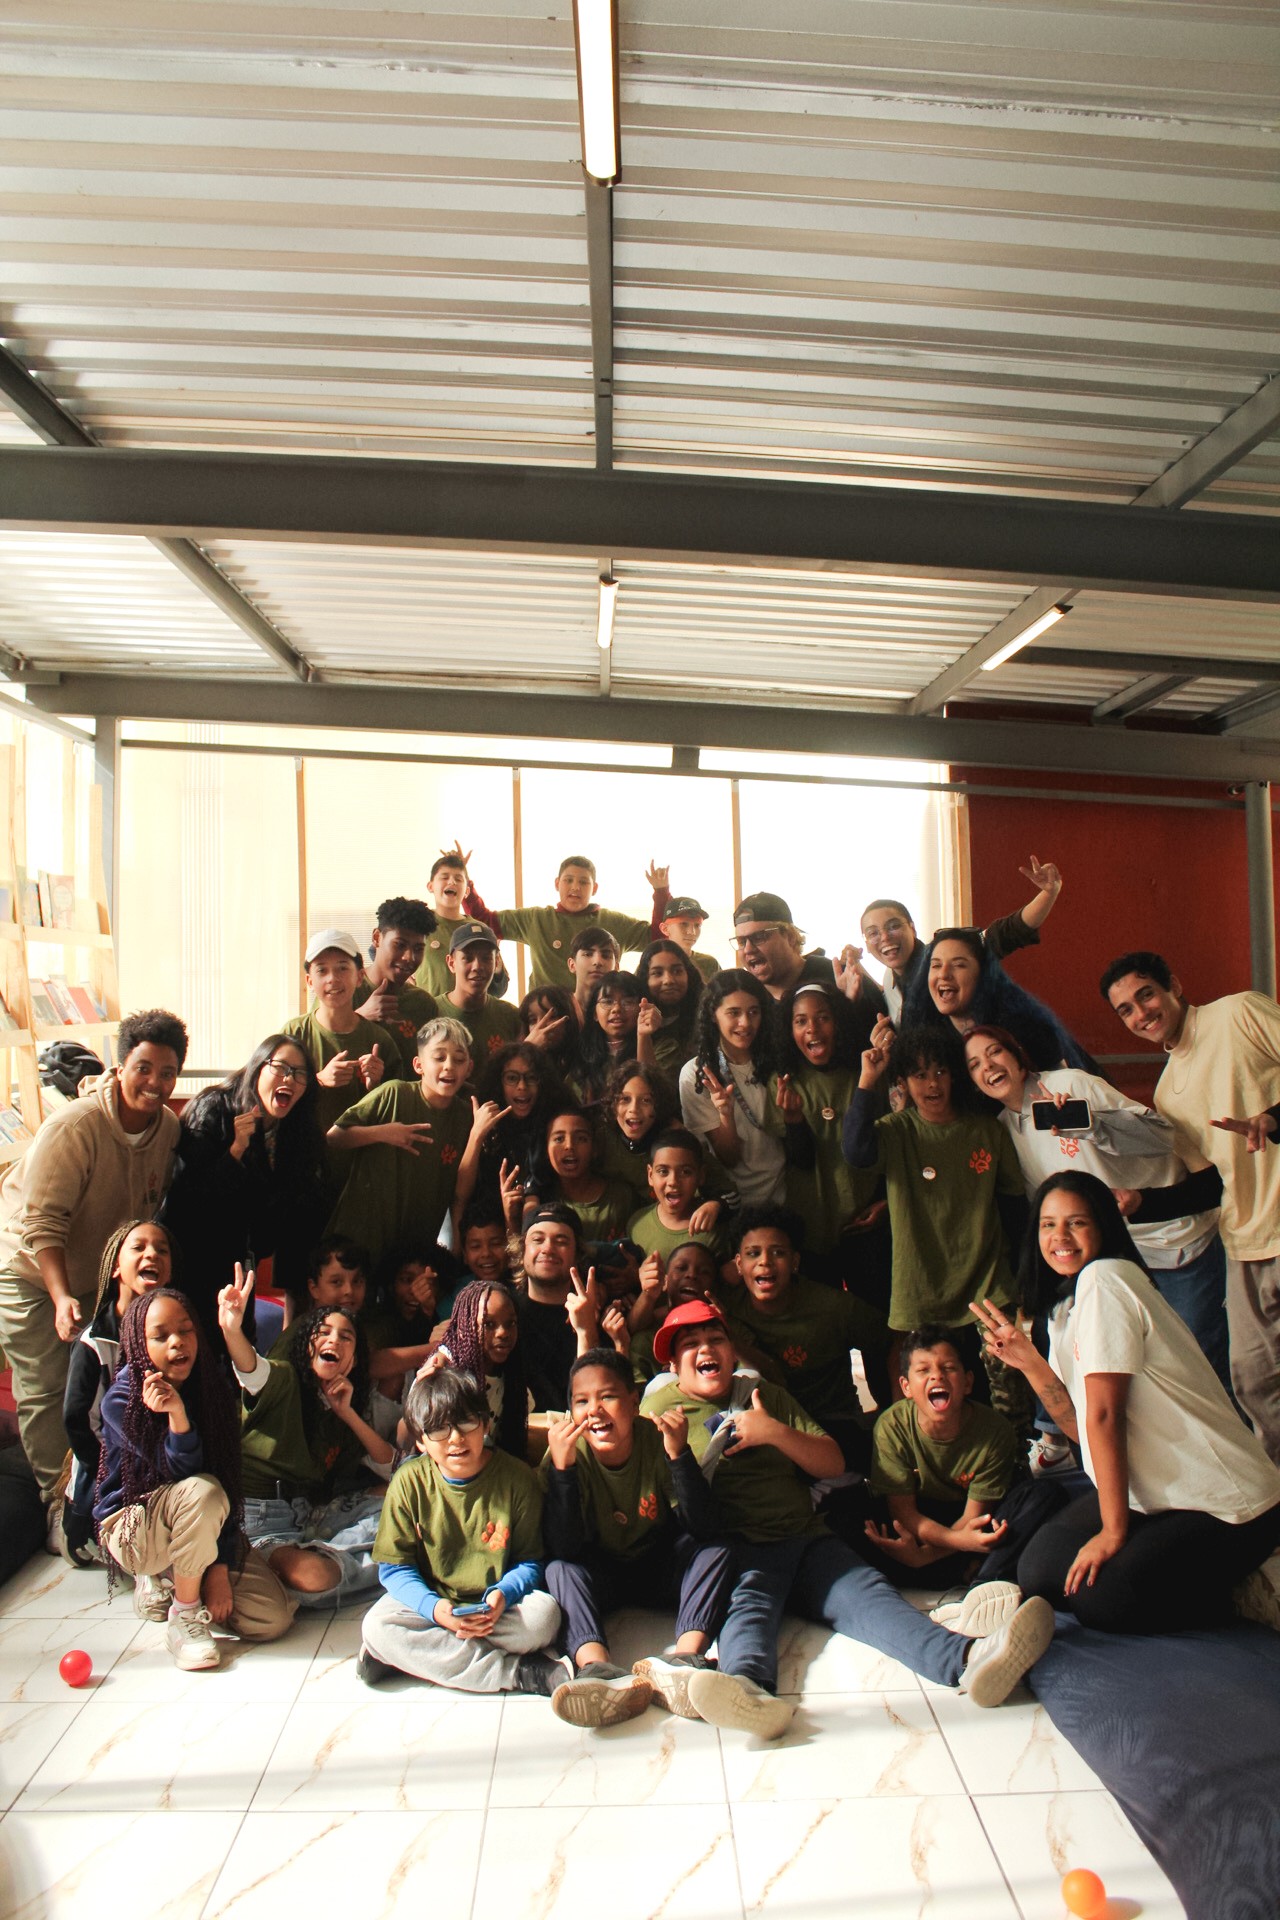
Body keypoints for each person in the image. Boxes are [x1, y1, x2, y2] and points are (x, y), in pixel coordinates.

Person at [641, 1301, 1055, 1737]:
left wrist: (774, 1432)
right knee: (749, 1610)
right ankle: (749, 1690)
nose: (706, 1349)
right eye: (691, 1344)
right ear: (672, 1362)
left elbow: (832, 1462)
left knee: (873, 1599)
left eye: (716, 1339)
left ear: (731, 1350)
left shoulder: (764, 1396)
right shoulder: (659, 1413)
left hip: (807, 1539)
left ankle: (970, 1661)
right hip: (741, 1550)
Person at [975, 1173, 1280, 1635]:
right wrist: (1032, 1364)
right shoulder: (1063, 1310)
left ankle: (1241, 1591)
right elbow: (1082, 1429)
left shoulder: (1107, 1279)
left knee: (1106, 1600)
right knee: (1039, 1573)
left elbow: (1104, 1415)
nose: (1059, 1237)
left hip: (1226, 1504)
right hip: (1153, 1498)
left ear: (1103, 1227)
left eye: (1076, 1222)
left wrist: (1112, 1532)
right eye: (1048, 1224)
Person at [963, 1023, 1232, 1397]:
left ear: (1016, 1056)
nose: (987, 1066)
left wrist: (1091, 1123)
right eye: (974, 1064)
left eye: (994, 1052)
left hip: (1173, 1244)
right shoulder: (1003, 1130)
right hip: (1109, 1264)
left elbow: (1161, 1136)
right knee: (1144, 1378)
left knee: (1204, 1371)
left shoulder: (1071, 1085)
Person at [0, 1007, 187, 1515]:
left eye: (168, 1073)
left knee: (98, 1384)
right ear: (121, 1065)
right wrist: (61, 1299)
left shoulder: (167, 1128)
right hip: (32, 1270)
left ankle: (101, 1485)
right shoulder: (74, 1127)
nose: (154, 1082)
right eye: (144, 1068)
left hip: (94, 1273)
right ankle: (55, 1504)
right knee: (47, 1386)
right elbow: (43, 1224)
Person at [1102, 951, 1280, 1463]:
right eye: (1126, 1010)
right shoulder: (1166, 1095)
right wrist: (1140, 1203)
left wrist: (1271, 1118)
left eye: (1146, 995)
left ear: (1173, 985)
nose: (1141, 1013)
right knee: (1253, 1379)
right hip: (1244, 1240)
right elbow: (1207, 1188)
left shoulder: (1238, 1014)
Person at [94, 1285, 296, 1669]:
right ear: (139, 1343)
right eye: (160, 1335)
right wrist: (178, 1417)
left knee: (272, 1618)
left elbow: (227, 1482)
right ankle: (184, 1613)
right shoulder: (122, 1401)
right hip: (135, 1528)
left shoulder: (213, 1389)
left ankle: (182, 1576)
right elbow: (183, 1479)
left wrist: (219, 1565)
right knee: (202, 1493)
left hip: (204, 1523)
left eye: (186, 1330)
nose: (177, 1343)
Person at [843, 1019, 1030, 1431]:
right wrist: (867, 1080)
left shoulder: (985, 1130)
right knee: (923, 1396)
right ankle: (920, 1469)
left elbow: (1015, 1209)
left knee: (1007, 1394)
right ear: (904, 1083)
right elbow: (856, 1152)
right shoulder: (898, 1131)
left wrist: (1022, 1282)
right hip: (921, 1288)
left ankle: (1013, 1468)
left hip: (987, 1285)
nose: (932, 1084)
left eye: (941, 1071)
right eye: (919, 1074)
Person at [542, 1347, 734, 1727]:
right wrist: (562, 1471)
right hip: (603, 1572)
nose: (594, 1410)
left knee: (718, 1549)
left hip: (657, 1563)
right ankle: (596, 1670)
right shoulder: (565, 1454)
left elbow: (703, 1526)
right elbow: (563, 1547)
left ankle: (685, 1659)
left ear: (634, 1403)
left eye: (607, 1396)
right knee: (560, 1569)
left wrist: (678, 1455)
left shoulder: (655, 1439)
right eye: (582, 1401)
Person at [356, 1366, 565, 1695]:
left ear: (484, 1423)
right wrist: (436, 1610)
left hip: (494, 1606)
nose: (455, 1438)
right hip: (433, 1601)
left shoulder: (517, 1478)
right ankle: (519, 1673)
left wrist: (503, 1595)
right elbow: (395, 1569)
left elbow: (530, 1561)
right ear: (422, 1441)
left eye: (466, 1422)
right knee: (378, 1625)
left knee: (544, 1619)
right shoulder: (408, 1482)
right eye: (438, 1430)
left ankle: (408, 1656)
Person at [863, 1325, 1068, 1630]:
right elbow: (903, 1513)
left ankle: (980, 1589)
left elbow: (976, 1519)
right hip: (927, 1525)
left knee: (1044, 1496)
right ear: (906, 1386)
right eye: (924, 1370)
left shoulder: (993, 1430)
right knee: (858, 1522)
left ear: (968, 1382)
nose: (937, 1377)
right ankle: (974, 1573)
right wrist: (934, 1550)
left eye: (948, 1368)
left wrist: (926, 1557)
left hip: (972, 1523)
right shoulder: (892, 1426)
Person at [220, 1267, 397, 1609]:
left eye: (346, 1337)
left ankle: (360, 1559)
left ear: (354, 1358)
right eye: (324, 1332)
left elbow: (393, 1470)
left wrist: (347, 1413)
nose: (334, 1340)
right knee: (315, 1576)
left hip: (310, 1514)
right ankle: (394, 1563)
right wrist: (231, 1330)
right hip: (259, 1521)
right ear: (307, 1345)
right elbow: (251, 1370)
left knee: (404, 1496)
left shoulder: (344, 1405)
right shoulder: (283, 1381)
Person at [160, 1032, 327, 1346]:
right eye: (281, 1068)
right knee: (194, 1345)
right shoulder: (214, 1107)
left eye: (300, 1074)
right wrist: (235, 1151)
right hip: (191, 1257)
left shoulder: (292, 1130)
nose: (290, 1080)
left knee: (237, 1349)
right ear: (258, 1067)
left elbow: (283, 1208)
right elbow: (187, 1201)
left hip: (240, 1257)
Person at [719, 1206, 888, 1468]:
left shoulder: (834, 1307)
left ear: (795, 1262)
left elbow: (895, 1342)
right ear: (739, 1264)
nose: (765, 1261)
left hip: (834, 1425)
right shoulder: (727, 1309)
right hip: (763, 1429)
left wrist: (898, 1410)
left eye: (778, 1253)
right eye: (753, 1253)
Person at [62, 1218, 176, 1566]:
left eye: (161, 1249)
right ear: (115, 1267)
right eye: (139, 1247)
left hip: (160, 1452)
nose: (151, 1254)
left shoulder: (176, 1329)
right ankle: (76, 1519)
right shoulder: (94, 1342)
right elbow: (79, 1419)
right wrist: (114, 1468)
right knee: (92, 1521)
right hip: (106, 1458)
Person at [326, 1016, 481, 1268]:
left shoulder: (465, 1116)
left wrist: (456, 1238)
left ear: (470, 1067)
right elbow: (334, 1137)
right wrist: (383, 1133)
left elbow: (459, 1192)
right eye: (439, 1057)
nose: (449, 1066)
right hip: (359, 1236)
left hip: (414, 1248)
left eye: (459, 1059)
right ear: (418, 1065)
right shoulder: (394, 1093)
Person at [861, 856, 1064, 1025]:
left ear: (912, 927)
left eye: (893, 926)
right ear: (867, 944)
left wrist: (1048, 893)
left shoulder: (944, 954)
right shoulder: (890, 980)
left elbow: (1006, 933)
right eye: (873, 933)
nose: (885, 937)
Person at [463, 854, 667, 992]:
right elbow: (485, 920)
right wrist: (463, 880)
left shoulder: (614, 922)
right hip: (545, 1016)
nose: (575, 887)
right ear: (556, 883)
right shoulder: (536, 919)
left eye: (583, 882)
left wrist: (661, 893)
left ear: (594, 888)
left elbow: (658, 938)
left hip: (600, 1018)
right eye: (568, 880)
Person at [774, 980, 864, 1287]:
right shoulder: (786, 1082)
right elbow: (801, 1161)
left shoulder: (863, 1076)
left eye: (823, 1017)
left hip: (862, 1222)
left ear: (838, 1022)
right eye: (801, 1021)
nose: (812, 1028)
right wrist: (793, 1119)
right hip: (810, 1226)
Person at [904, 927, 1092, 1072]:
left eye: (959, 965)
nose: (943, 974)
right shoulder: (925, 1030)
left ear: (983, 975)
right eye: (935, 966)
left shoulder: (1024, 1026)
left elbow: (1065, 1085)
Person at [283, 930, 401, 1143]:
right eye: (322, 970)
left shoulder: (379, 1040)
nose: (332, 979)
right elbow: (273, 1095)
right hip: (305, 1158)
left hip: (362, 1166)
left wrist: (376, 1086)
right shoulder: (293, 1035)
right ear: (309, 981)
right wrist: (319, 1080)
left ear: (359, 977)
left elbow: (397, 1112)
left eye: (342, 968)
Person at [680, 970, 786, 1207]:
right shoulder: (697, 1074)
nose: (745, 1023)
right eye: (733, 1013)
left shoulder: (775, 1060)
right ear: (713, 1014)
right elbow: (729, 1158)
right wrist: (725, 1116)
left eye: (753, 1012)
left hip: (786, 1194)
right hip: (734, 1202)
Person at [730, 890, 886, 1031]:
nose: (748, 949)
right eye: (741, 942)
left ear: (790, 937)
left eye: (759, 937)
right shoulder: (748, 999)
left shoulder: (839, 978)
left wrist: (851, 1005)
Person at [430, 1276, 528, 1460]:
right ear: (464, 1327)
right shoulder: (444, 1374)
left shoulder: (511, 1377)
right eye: (488, 1324)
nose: (503, 1333)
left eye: (511, 1324)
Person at [471, 1042, 569, 1211]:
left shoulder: (555, 1123)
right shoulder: (485, 1124)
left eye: (531, 1077)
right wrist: (477, 1134)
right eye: (512, 1078)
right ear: (498, 1083)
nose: (522, 1086)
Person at [513, 1203, 591, 1410]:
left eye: (561, 1241)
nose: (548, 1248)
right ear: (522, 1251)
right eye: (538, 1240)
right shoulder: (504, 1312)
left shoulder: (592, 1316)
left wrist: (587, 1330)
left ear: (577, 1254)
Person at [413, 845, 510, 999]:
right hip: (429, 1017)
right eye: (444, 877)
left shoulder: (480, 929)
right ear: (430, 886)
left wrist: (496, 966)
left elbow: (499, 989)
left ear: (466, 891)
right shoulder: (416, 924)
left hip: (470, 1019)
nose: (451, 882)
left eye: (458, 879)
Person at [525, 1106, 634, 1241]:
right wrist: (510, 1217)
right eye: (559, 1139)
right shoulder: (540, 1199)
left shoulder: (620, 1196)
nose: (569, 1146)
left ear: (594, 1148)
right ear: (546, 1149)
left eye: (581, 1139)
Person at [354, 896, 439, 1056]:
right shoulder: (343, 991)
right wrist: (359, 1018)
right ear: (377, 938)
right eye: (399, 945)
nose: (409, 957)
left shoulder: (424, 1004)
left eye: (418, 949)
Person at [626, 1126, 723, 1260]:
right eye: (663, 1171)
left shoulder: (711, 1229)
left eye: (685, 1172)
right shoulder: (637, 1224)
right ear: (650, 1175)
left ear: (701, 1175)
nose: (673, 1182)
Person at [598, 1060, 680, 1209]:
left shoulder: (674, 1139)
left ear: (658, 1105)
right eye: (625, 1099)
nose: (634, 1109)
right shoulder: (601, 1137)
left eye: (646, 1101)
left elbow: (724, 1191)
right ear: (613, 1103)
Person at [442, 922, 520, 1061]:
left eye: (486, 958)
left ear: (496, 963)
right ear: (451, 963)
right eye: (468, 958)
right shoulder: (430, 1011)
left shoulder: (511, 1016)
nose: (477, 966)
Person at [574, 972, 647, 1104]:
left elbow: (651, 1090)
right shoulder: (581, 1051)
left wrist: (643, 1035)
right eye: (607, 1002)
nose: (617, 1009)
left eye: (628, 1002)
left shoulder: (660, 1045)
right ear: (594, 1014)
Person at [635, 939, 704, 1079]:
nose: (668, 980)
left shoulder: (706, 1014)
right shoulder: (632, 1016)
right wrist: (643, 1035)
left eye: (677, 971)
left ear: (688, 974)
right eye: (657, 973)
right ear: (645, 979)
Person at [658, 894, 720, 984]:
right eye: (683, 924)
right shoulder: (653, 963)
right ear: (665, 929)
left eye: (697, 925)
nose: (692, 932)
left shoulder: (709, 964)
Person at [567, 926, 620, 1024]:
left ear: (616, 967)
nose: (597, 962)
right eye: (588, 954)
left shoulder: (621, 1015)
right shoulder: (558, 1009)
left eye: (606, 956)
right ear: (572, 964)